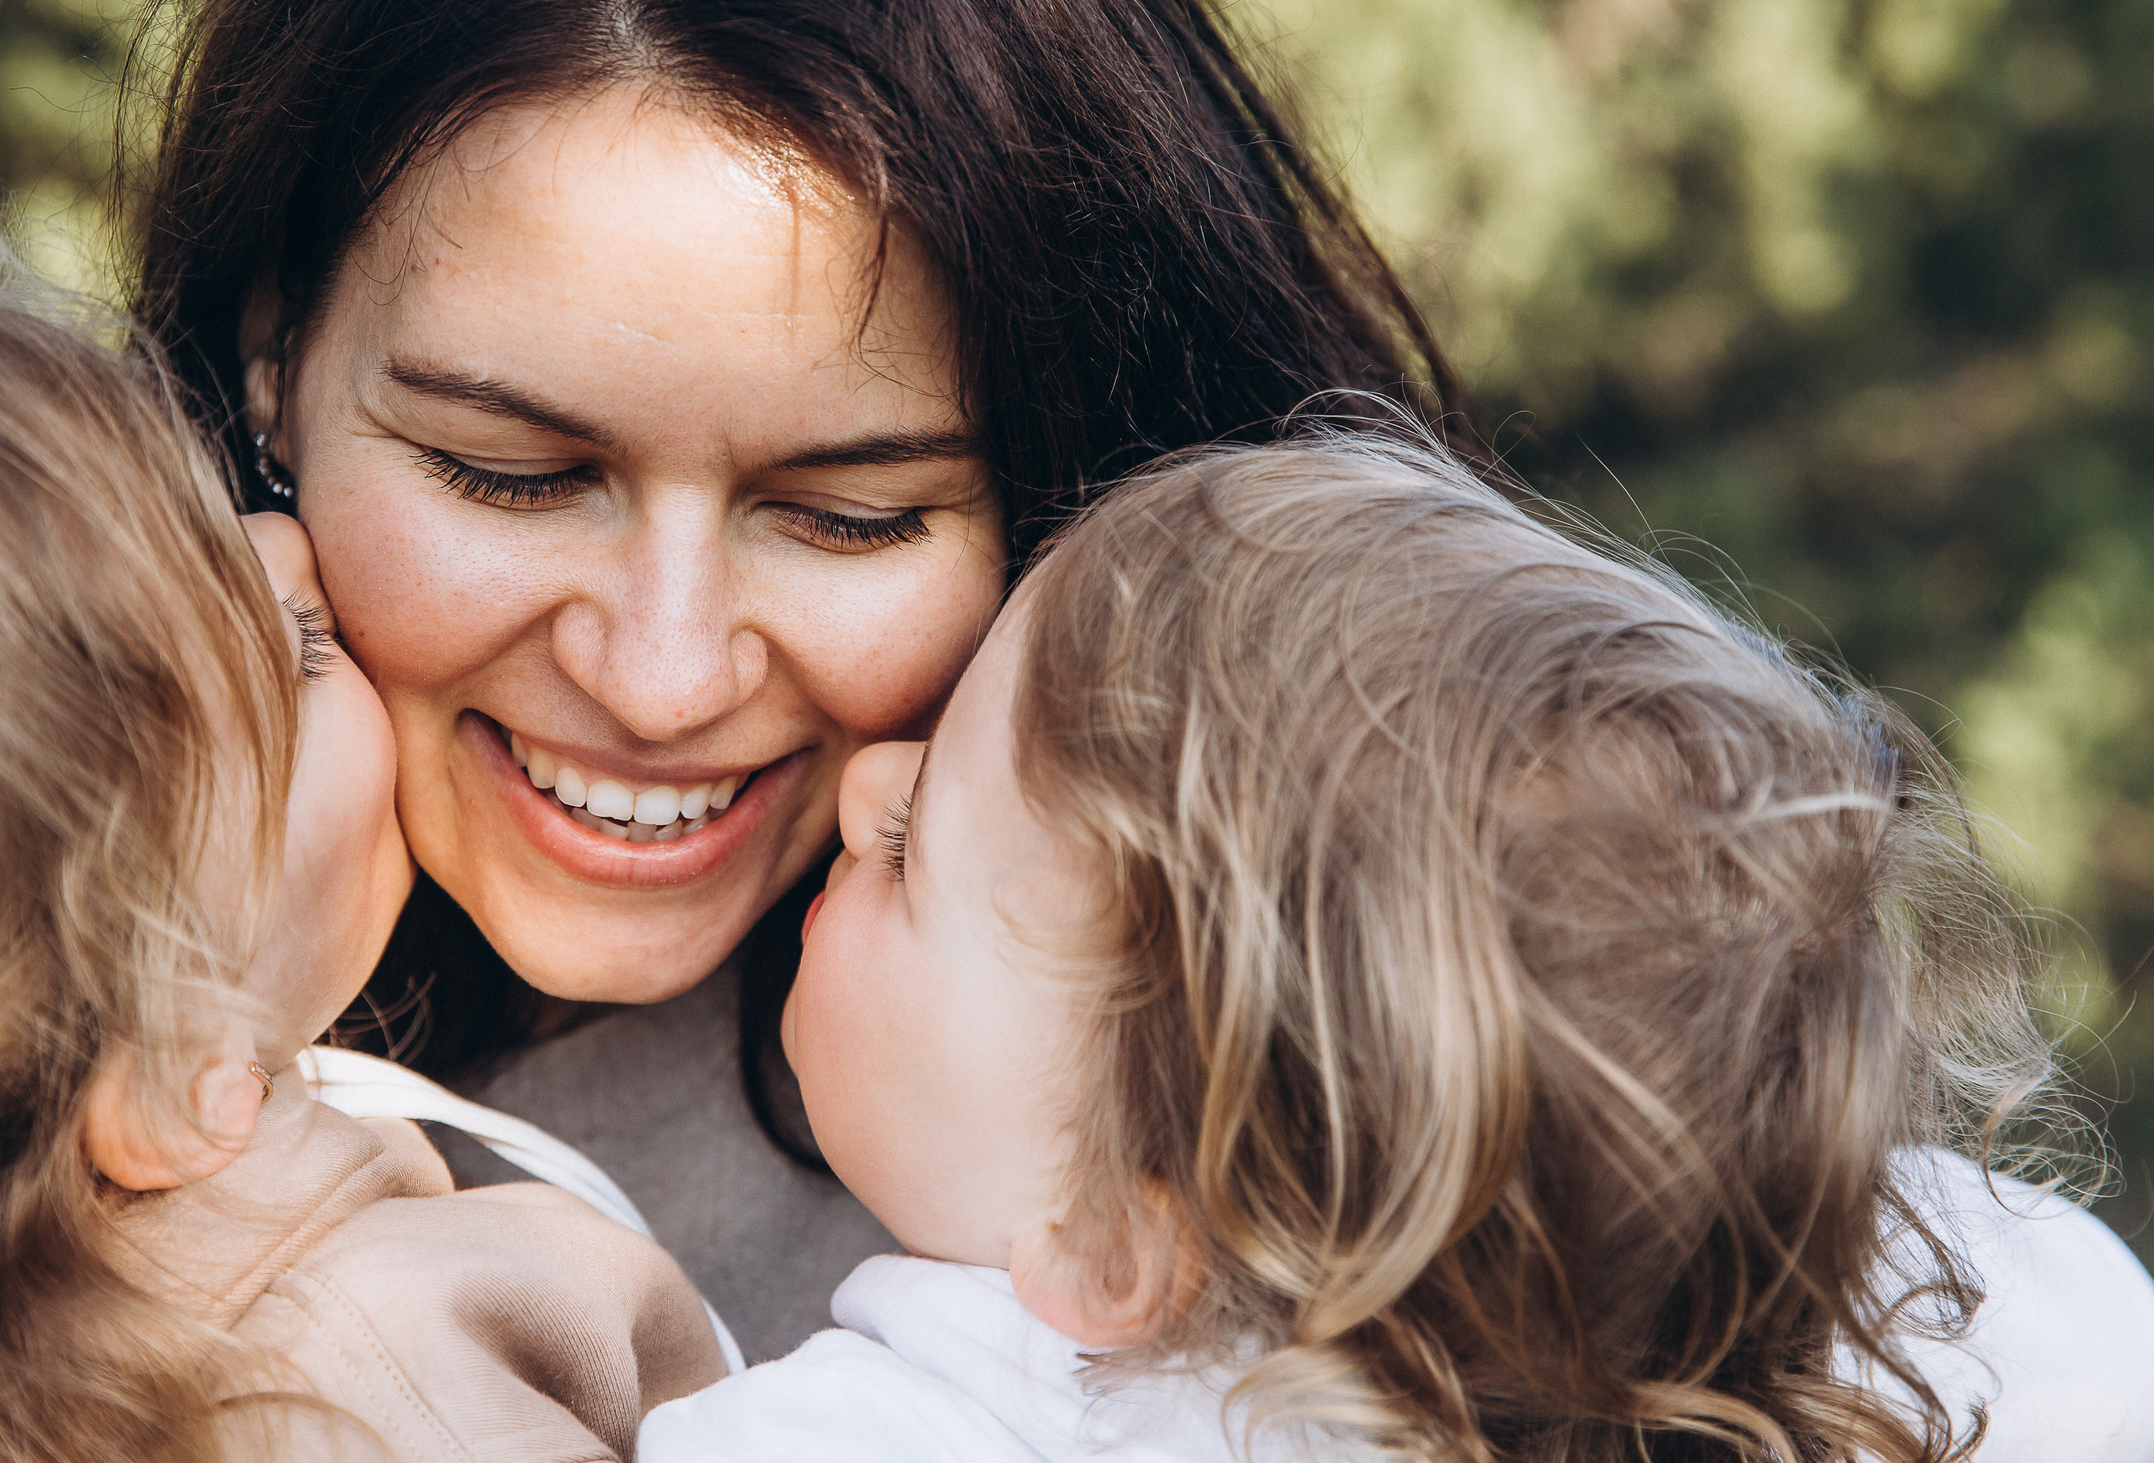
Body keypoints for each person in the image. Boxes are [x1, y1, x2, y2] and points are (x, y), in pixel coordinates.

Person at [136, 0, 1462, 1357]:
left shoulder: (1377, 1139)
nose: (662, 673)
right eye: (510, 473)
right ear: (272, 348)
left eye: (853, 513)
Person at [639, 436, 2154, 1462]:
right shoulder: (2010, 1311)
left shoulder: (893, 1431)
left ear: (1116, 1243)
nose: (864, 782)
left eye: (916, 858)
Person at [0, 258, 723, 1461]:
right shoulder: (363, 1392)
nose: (290, 540)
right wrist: (955, 1321)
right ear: (178, 1062)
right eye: (290, 655)